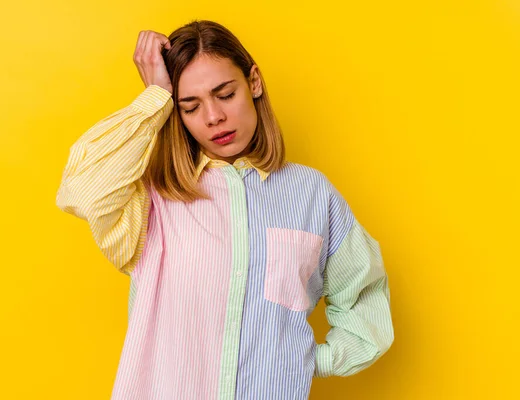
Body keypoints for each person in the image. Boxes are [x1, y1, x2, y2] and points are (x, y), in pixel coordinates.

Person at [56, 19, 394, 400]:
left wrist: (305, 360)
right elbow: (82, 189)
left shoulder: (311, 195)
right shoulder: (153, 198)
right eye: (190, 106)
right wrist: (154, 99)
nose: (213, 117)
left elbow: (365, 301)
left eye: (225, 94)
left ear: (253, 82)